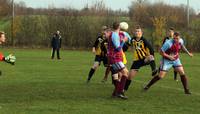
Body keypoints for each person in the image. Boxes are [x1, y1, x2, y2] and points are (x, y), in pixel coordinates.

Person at [124, 25, 158, 92]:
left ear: (141, 33)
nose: (137, 32)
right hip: (137, 61)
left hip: (145, 59)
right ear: (134, 32)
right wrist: (123, 46)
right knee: (129, 76)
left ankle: (154, 70)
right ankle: (124, 90)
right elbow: (127, 46)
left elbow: (151, 48)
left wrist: (152, 55)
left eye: (138, 31)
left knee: (151, 57)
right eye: (136, 31)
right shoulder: (132, 39)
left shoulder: (144, 40)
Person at [107, 22, 129, 99]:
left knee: (120, 75)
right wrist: (123, 41)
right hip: (115, 58)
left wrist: (124, 36)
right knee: (125, 73)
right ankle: (119, 92)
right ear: (119, 26)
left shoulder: (114, 34)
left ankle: (115, 93)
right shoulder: (115, 36)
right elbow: (118, 48)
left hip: (115, 57)